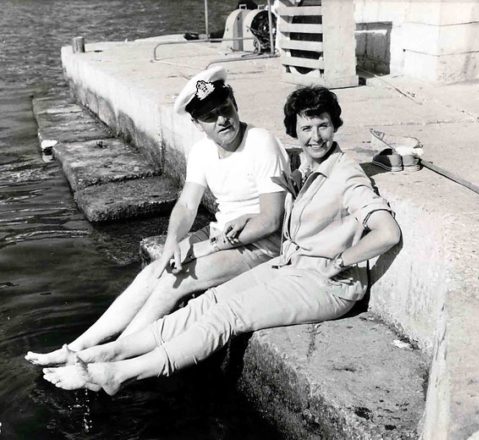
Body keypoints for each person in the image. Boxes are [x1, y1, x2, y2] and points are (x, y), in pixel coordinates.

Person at [41, 86, 401, 395]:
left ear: (336, 125)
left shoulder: (346, 173)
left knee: (227, 315)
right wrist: (246, 218)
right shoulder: (306, 168)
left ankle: (119, 373)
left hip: (327, 283)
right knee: (206, 303)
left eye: (323, 125)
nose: (316, 136)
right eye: (306, 127)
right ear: (295, 131)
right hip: (291, 265)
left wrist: (341, 260)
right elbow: (280, 212)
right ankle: (110, 352)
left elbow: (388, 233)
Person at [25, 66, 289, 367]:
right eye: (210, 117)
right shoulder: (202, 151)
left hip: (263, 243)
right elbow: (187, 205)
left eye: (225, 109)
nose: (222, 120)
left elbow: (270, 220)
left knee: (172, 282)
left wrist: (209, 247)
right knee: (154, 271)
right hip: (223, 234)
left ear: (234, 103)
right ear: (197, 123)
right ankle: (77, 347)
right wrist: (172, 244)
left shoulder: (260, 142)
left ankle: (111, 356)